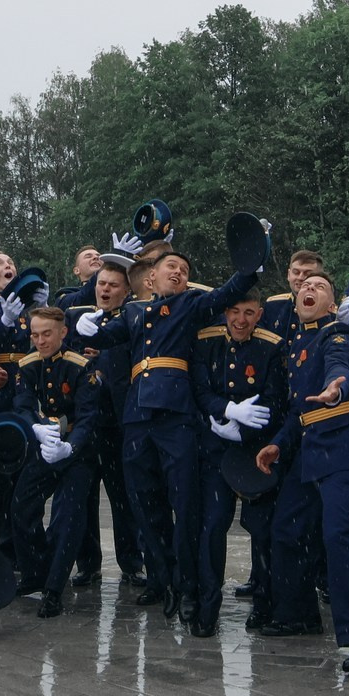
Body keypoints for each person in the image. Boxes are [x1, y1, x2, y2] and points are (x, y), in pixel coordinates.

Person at [74, 246, 264, 627]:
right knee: (144, 504)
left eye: (183, 268)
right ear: (150, 279)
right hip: (137, 417)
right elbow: (103, 337)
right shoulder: (130, 312)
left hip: (175, 415)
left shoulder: (190, 304)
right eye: (170, 267)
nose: (177, 272)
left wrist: (251, 257)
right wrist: (84, 329)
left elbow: (228, 292)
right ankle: (166, 576)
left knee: (185, 504)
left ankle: (189, 587)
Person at [255, 271, 349, 673]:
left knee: (340, 536)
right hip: (313, 451)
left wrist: (336, 387)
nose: (308, 289)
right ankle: (298, 614)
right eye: (303, 286)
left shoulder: (337, 334)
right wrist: (278, 442)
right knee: (287, 527)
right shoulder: (298, 345)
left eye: (320, 287)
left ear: (333, 305)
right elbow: (300, 412)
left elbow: (340, 365)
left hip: (348, 448)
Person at [5, 306, 104, 616]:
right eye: (35, 335)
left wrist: (70, 448)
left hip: (78, 452)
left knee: (68, 517)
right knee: (21, 506)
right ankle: (35, 572)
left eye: (47, 334)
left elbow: (88, 418)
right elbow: (21, 404)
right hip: (44, 444)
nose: (40, 341)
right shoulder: (27, 364)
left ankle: (54, 588)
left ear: (63, 333)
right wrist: (34, 428)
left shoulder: (81, 366)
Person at [197, 291, 285, 635]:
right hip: (217, 449)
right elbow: (199, 388)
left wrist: (245, 432)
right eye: (234, 312)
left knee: (261, 528)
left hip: (255, 451)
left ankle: (264, 603)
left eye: (249, 313)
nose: (241, 320)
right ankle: (208, 607)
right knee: (214, 526)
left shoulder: (272, 346)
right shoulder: (207, 342)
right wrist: (224, 412)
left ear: (260, 314)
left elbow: (277, 400)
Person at [68, 258, 146, 590]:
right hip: (84, 423)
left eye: (113, 285)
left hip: (119, 421)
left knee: (123, 497)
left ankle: (131, 563)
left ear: (127, 291)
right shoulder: (76, 317)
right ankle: (88, 564)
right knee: (83, 497)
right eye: (101, 283)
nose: (105, 289)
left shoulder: (132, 320)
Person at [258, 249, 322, 341]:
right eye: (296, 272)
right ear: (288, 275)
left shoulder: (328, 312)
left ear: (320, 278)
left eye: (307, 274)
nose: (300, 278)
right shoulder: (273, 306)